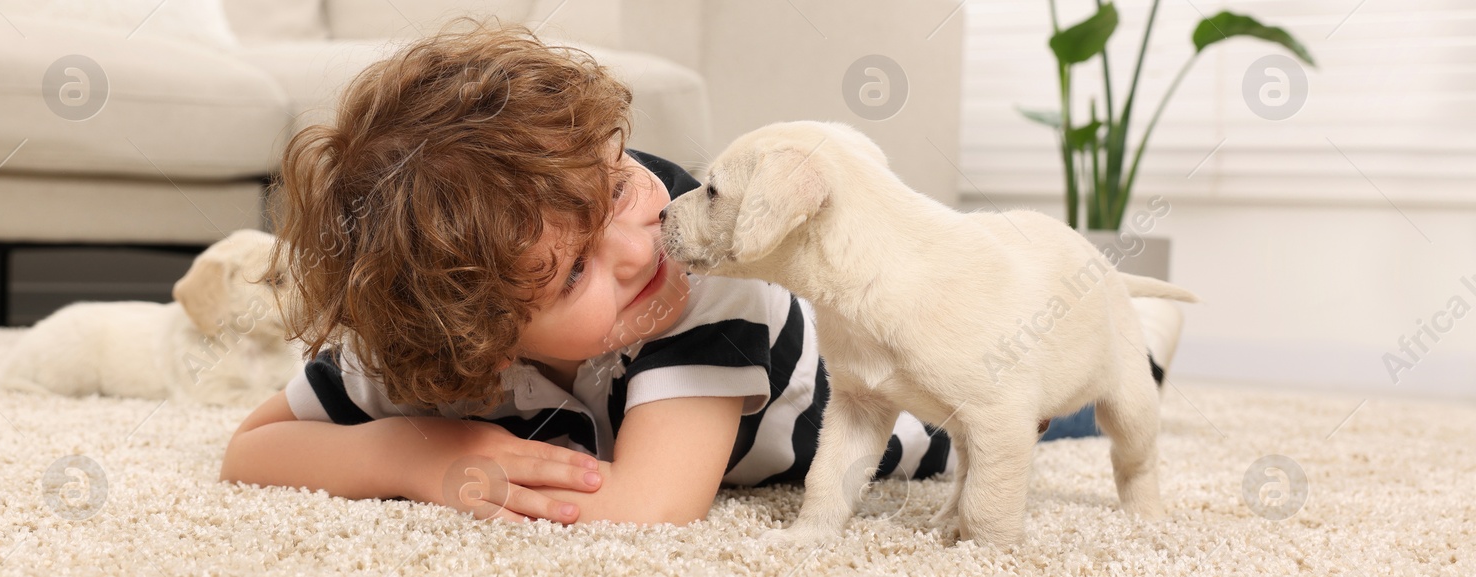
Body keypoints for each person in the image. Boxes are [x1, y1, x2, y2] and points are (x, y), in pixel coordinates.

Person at [218, 20, 1184, 526]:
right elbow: (249, 449)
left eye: (619, 179)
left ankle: (1139, 345)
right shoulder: (433, 334)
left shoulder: (709, 266)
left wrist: (420, 456)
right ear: (466, 345)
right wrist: (411, 453)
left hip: (883, 401)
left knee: (1024, 403)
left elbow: (648, 506)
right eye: (571, 276)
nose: (636, 247)